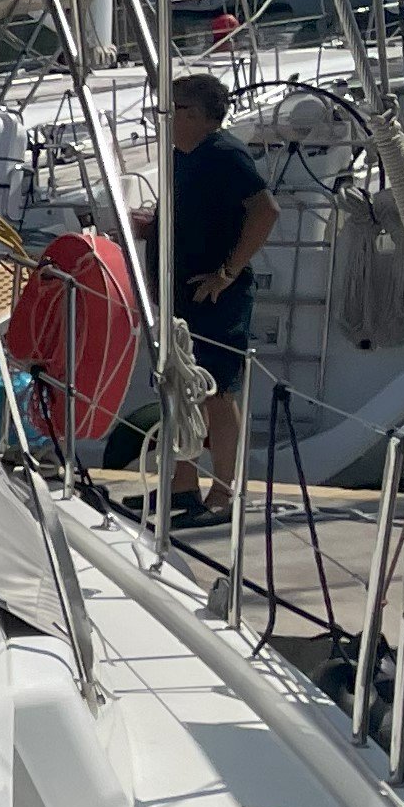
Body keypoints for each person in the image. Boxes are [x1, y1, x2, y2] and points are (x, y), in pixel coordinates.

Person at [153, 71, 276, 516]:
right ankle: (183, 484)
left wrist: (226, 273)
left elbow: (266, 210)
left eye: (175, 109)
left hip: (216, 297)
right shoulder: (180, 157)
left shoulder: (225, 155)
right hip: (179, 295)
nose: (165, 117)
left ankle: (223, 493)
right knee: (179, 385)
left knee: (217, 392)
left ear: (199, 116)